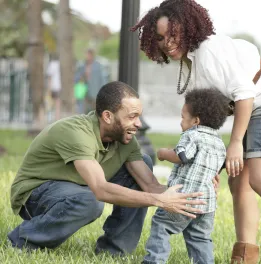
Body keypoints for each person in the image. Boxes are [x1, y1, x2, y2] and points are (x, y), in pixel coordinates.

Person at [132, 1, 261, 263]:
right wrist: (209, 168)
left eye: (173, 34)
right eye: (161, 37)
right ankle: (244, 257)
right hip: (260, 104)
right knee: (239, 181)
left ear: (187, 27)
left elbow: (245, 93)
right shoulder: (191, 61)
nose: (167, 42)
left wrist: (236, 142)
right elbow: (206, 122)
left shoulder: (208, 50)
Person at [8, 81, 206, 256]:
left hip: (79, 187)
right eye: (132, 116)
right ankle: (22, 240)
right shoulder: (76, 132)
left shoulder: (126, 140)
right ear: (108, 116)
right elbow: (101, 190)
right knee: (90, 201)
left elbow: (151, 186)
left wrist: (196, 190)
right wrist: (159, 201)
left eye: (139, 116)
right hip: (35, 194)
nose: (138, 124)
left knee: (143, 163)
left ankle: (114, 251)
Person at [143, 89, 228, 264]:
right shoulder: (219, 142)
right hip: (206, 204)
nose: (180, 121)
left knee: (161, 226)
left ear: (196, 121)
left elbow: (182, 156)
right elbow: (218, 168)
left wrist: (164, 153)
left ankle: (154, 261)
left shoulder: (192, 135)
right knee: (200, 238)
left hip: (183, 198)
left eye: (183, 117)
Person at [75, 48, 107, 113]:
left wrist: (103, 90)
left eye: (88, 55)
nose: (86, 56)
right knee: (83, 110)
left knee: (95, 109)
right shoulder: (82, 65)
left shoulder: (98, 66)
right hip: (84, 91)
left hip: (95, 91)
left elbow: (102, 79)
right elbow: (77, 77)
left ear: (92, 55)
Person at [46, 53, 61, 121]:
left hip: (53, 87)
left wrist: (49, 88)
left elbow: (50, 77)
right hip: (59, 87)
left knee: (51, 104)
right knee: (57, 104)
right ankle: (56, 118)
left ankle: (51, 118)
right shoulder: (60, 64)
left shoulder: (52, 64)